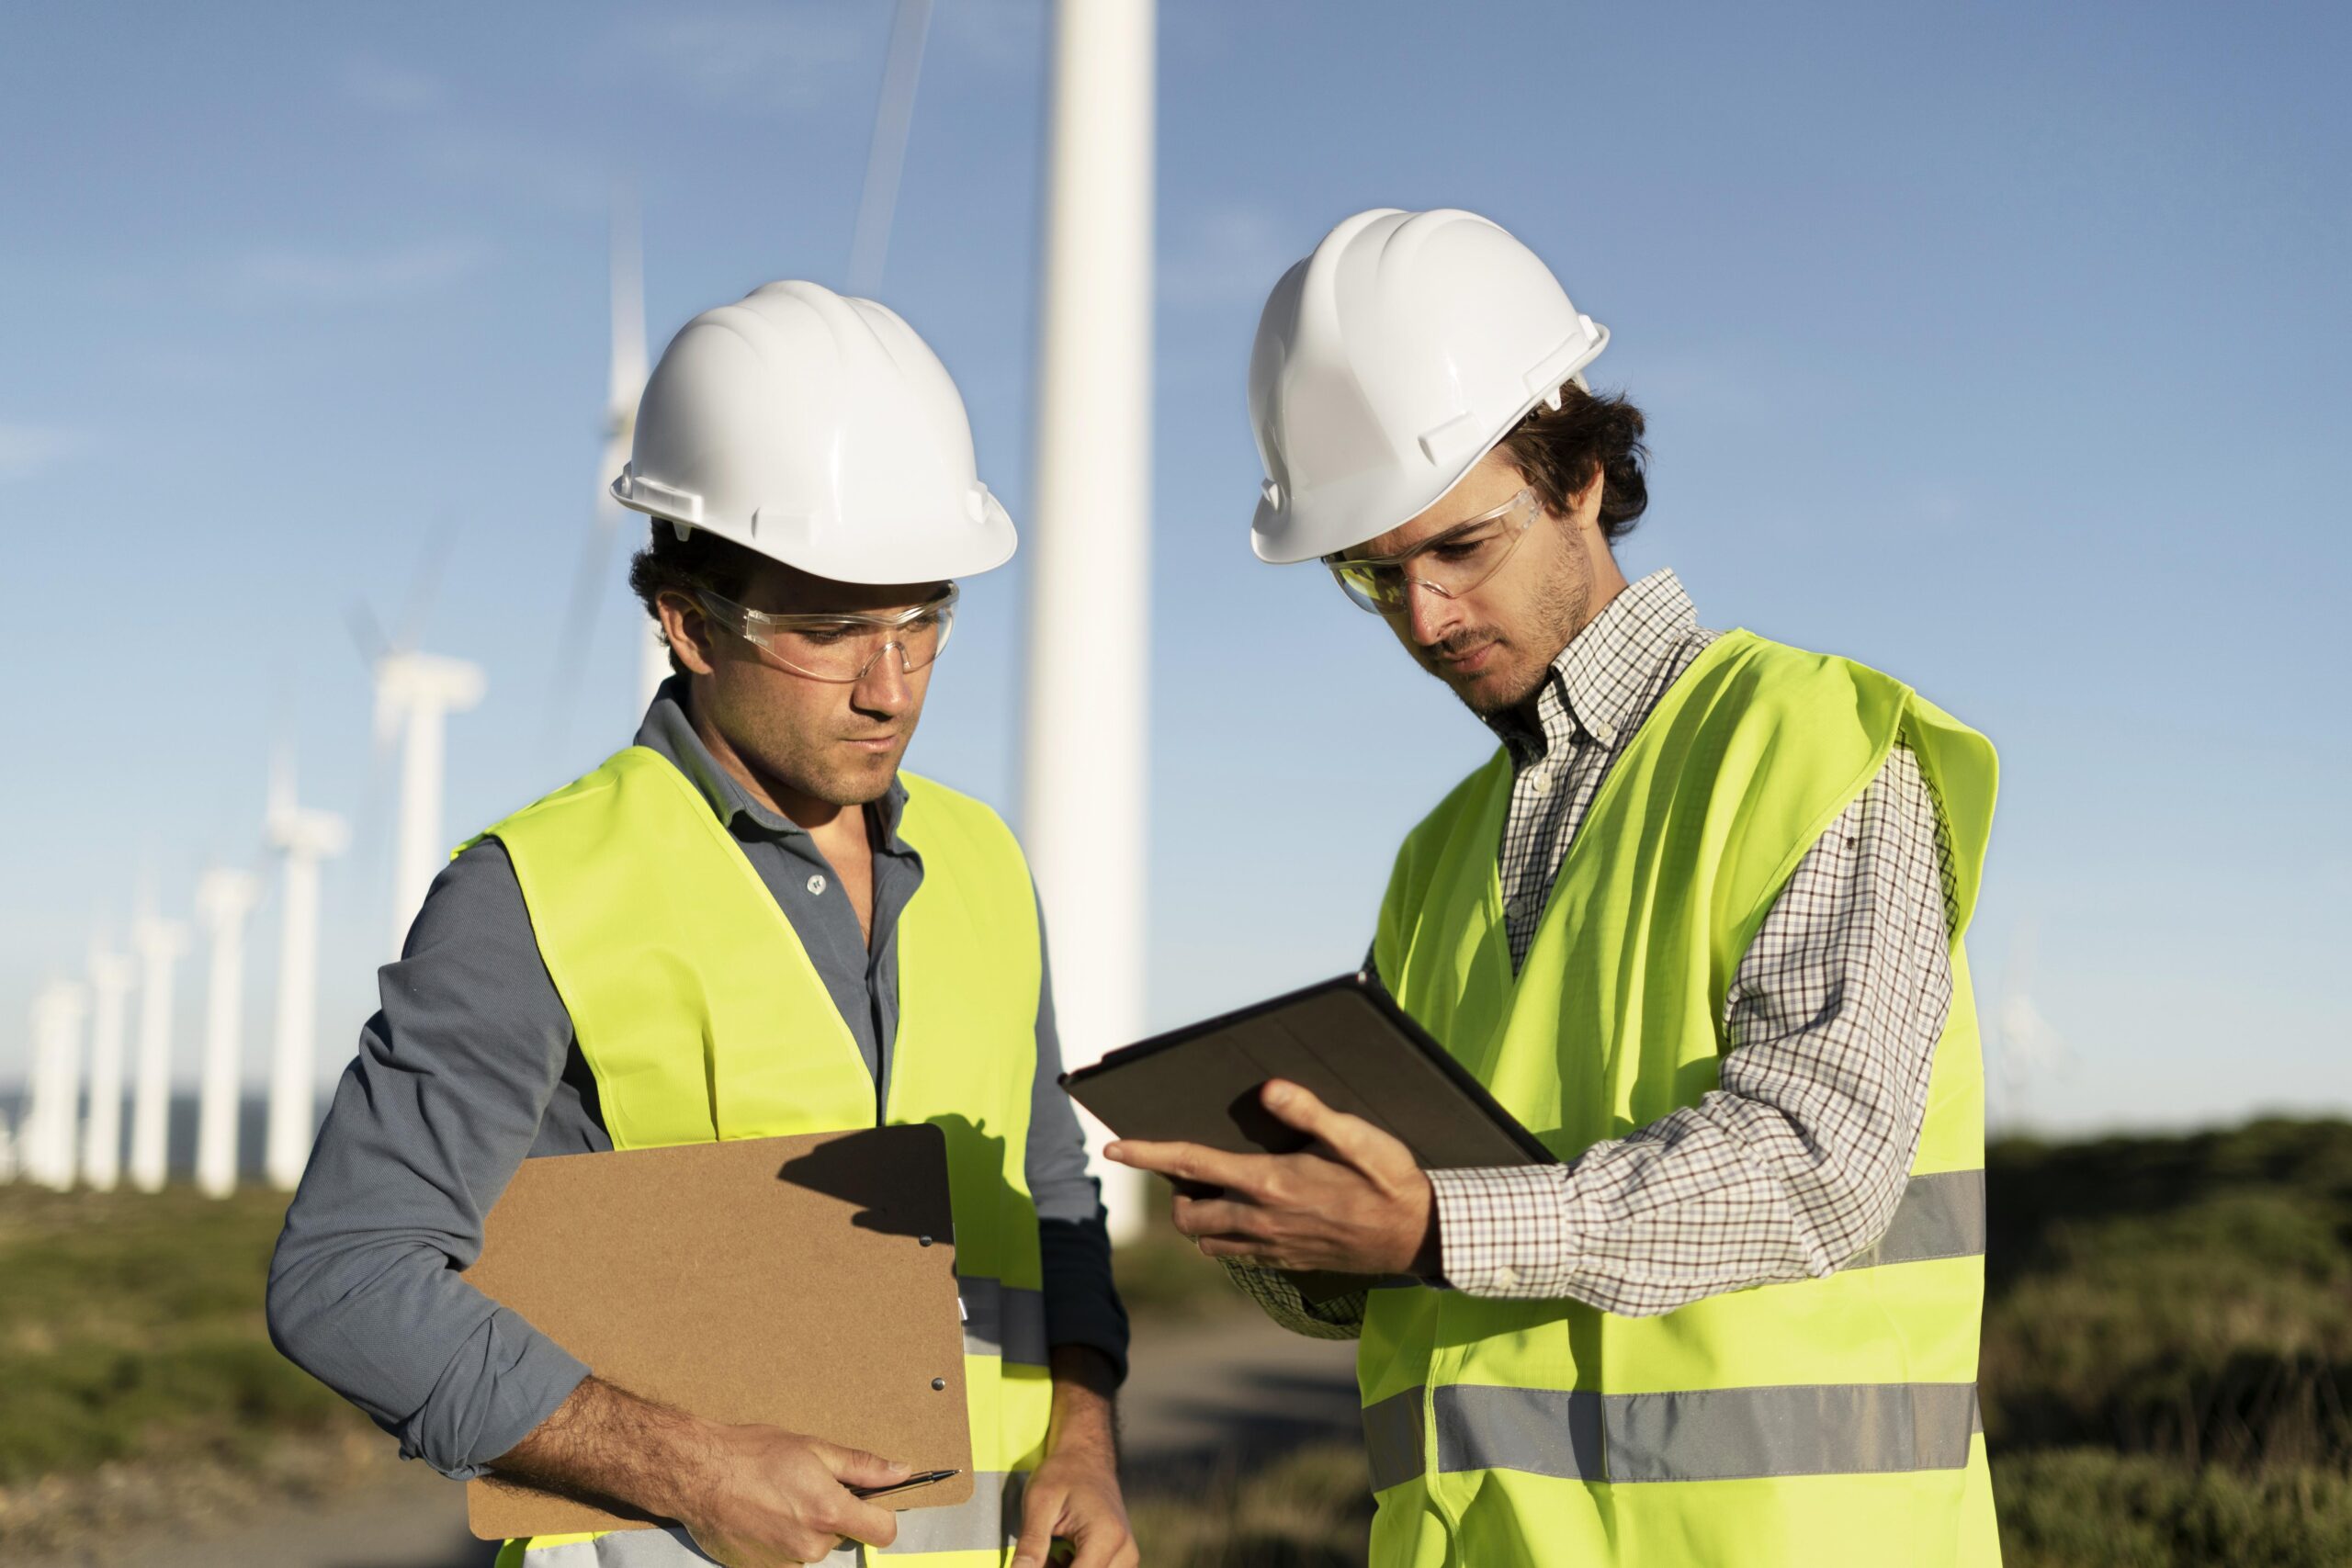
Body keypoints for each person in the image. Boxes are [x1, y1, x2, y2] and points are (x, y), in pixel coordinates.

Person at [1107, 209, 2001, 1565]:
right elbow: (1414, 1262)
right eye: (1374, 575)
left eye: (1459, 548)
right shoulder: (1437, 858)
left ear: (1580, 472)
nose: (1424, 619)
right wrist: (1296, 1231)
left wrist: (1430, 1221)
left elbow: (1819, 1167)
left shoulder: (1809, 743)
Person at [270, 281, 1136, 1568]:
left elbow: (1052, 1190)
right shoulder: (536, 891)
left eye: (923, 618)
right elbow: (345, 1278)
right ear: (686, 622)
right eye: (833, 629)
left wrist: (1083, 1434)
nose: (889, 684)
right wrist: (686, 1468)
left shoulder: (986, 862)